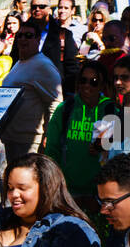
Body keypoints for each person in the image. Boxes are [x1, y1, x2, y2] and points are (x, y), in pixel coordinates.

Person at [0, 155, 100, 247]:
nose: (13, 195)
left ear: (46, 188)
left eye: (22, 188)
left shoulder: (68, 230)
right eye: (10, 187)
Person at [45, 58, 118, 199]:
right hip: (67, 190)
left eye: (94, 82)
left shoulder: (111, 110)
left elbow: (121, 149)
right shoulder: (65, 108)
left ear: (102, 85)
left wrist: (105, 147)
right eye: (83, 80)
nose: (87, 86)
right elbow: (52, 149)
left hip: (99, 193)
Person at [0, 20, 63, 158]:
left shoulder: (44, 65)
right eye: (20, 35)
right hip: (11, 139)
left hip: (30, 142)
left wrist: (49, 136)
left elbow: (55, 104)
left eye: (28, 35)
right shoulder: (20, 62)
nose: (23, 39)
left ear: (37, 39)